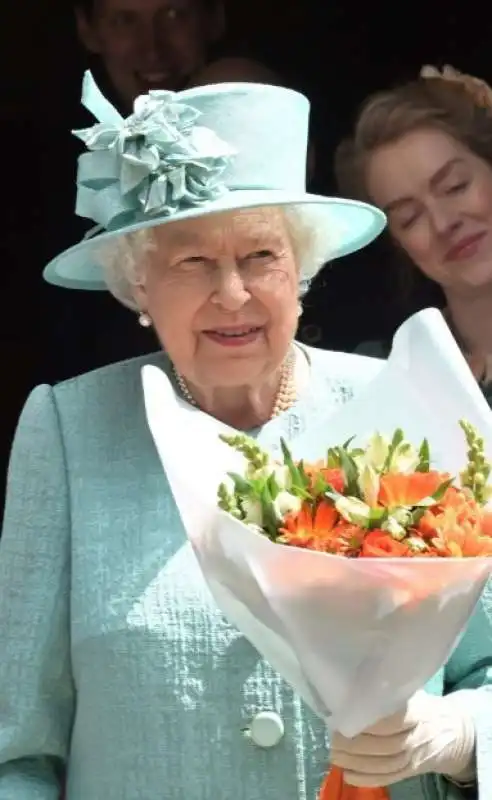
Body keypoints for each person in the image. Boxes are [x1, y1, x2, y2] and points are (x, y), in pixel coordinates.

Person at [0, 74, 490, 800]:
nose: (232, 294)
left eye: (261, 256)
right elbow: (18, 756)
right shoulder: (70, 431)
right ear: (138, 286)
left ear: (302, 272)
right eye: (192, 262)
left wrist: (458, 735)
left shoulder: (406, 401)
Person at [334, 65, 492, 404]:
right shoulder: (384, 380)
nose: (442, 222)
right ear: (398, 243)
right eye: (409, 218)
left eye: (456, 186)